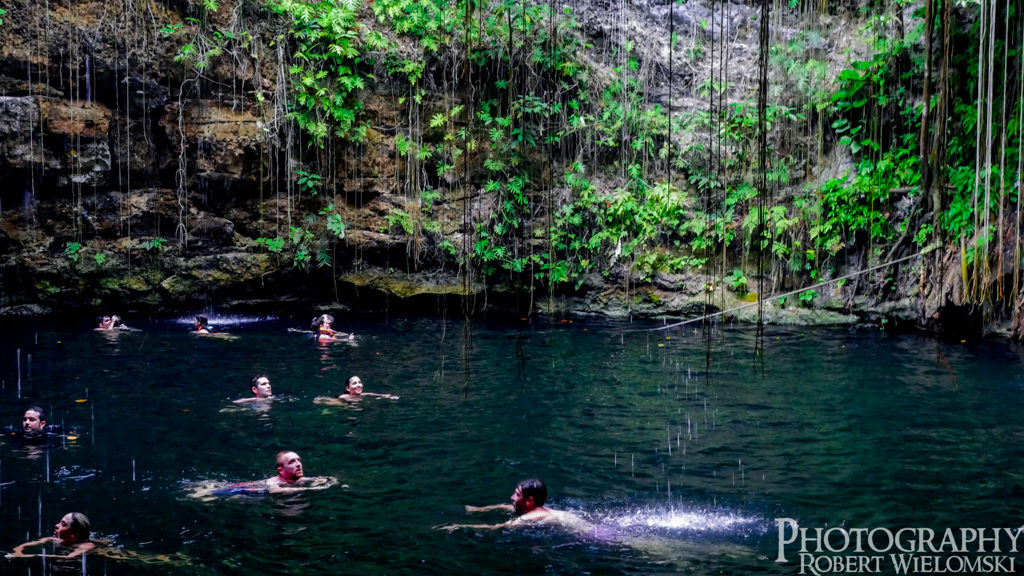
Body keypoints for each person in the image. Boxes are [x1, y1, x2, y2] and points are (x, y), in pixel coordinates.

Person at [436, 478, 590, 532]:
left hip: (595, 536)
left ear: (529, 501)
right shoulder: (540, 509)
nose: (512, 497)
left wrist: (459, 526)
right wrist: (477, 510)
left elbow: (497, 527)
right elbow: (506, 506)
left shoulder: (532, 517)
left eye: (517, 494)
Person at [5, 512, 95, 559]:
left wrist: (33, 556)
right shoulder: (57, 539)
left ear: (73, 535)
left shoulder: (86, 546)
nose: (56, 525)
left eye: (63, 524)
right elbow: (27, 544)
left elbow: (68, 557)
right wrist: (17, 551)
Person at [264, 451, 339, 493]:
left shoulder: (302, 480)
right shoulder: (272, 482)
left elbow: (329, 479)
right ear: (281, 470)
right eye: (292, 462)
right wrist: (308, 489)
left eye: (299, 460)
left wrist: (330, 481)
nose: (298, 464)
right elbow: (274, 490)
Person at [314, 375, 399, 405]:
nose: (358, 385)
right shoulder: (344, 397)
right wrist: (320, 400)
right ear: (348, 388)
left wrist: (390, 397)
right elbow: (331, 402)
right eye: (354, 383)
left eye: (359, 382)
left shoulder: (363, 394)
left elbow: (377, 395)